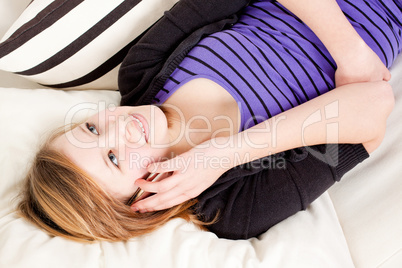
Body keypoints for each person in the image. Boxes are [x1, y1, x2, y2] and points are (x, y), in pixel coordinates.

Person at [18, 0, 401, 242]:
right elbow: (374, 104)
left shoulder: (142, 71)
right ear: (141, 203)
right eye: (114, 158)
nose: (120, 126)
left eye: (91, 128)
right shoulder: (233, 207)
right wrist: (224, 153)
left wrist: (350, 54)